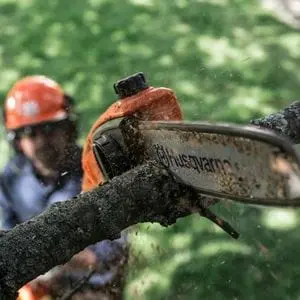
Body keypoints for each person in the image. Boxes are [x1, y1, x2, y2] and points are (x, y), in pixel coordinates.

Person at [0, 75, 128, 299]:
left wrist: (48, 259)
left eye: (49, 128)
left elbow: (111, 254)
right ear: (17, 140)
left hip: (91, 286)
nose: (41, 142)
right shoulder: (11, 179)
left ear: (67, 127)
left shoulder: (96, 171)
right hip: (32, 284)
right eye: (30, 133)